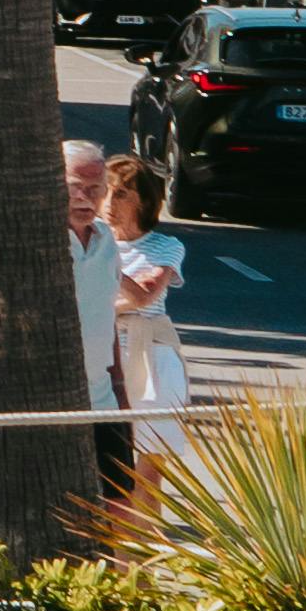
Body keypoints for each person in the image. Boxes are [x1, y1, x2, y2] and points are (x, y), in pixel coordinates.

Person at [101, 159, 188, 459]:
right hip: (102, 357)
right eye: (105, 191)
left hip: (152, 356)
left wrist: (108, 267)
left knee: (152, 459)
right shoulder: (88, 244)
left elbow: (144, 295)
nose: (109, 203)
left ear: (145, 201)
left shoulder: (166, 246)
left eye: (122, 194)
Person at [64, 142, 129, 496]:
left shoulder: (107, 241)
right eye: (76, 187)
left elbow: (108, 315)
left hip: (103, 398)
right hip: (53, 401)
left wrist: (120, 389)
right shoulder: (39, 242)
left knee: (120, 499)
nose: (85, 198)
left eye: (95, 189)